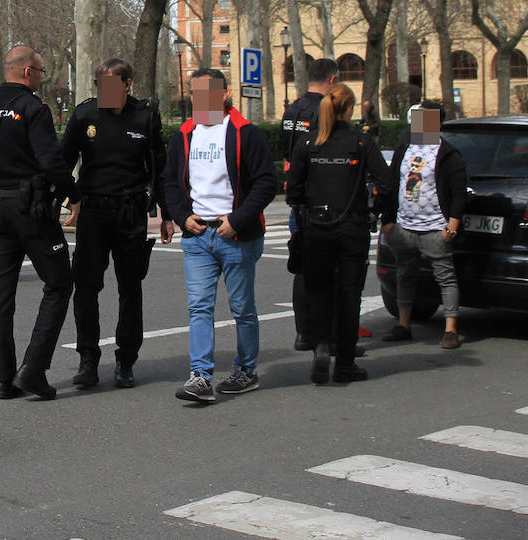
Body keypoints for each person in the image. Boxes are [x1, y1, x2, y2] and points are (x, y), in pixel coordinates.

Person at [0, 46, 79, 401]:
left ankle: (3, 380)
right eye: (41, 72)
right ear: (28, 72)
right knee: (59, 283)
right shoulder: (33, 108)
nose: (42, 79)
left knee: (0, 295)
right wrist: (74, 195)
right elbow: (51, 161)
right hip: (30, 209)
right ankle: (33, 369)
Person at [160, 68, 276, 403]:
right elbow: (170, 182)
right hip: (197, 236)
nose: (199, 101)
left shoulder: (245, 133)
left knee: (241, 308)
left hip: (235, 235)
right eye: (194, 95)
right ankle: (200, 376)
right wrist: (183, 218)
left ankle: (246, 370)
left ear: (223, 95)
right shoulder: (185, 134)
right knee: (199, 307)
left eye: (206, 94)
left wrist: (238, 220)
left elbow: (266, 183)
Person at [61, 58, 167, 390]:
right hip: (93, 211)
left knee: (130, 287)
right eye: (100, 85)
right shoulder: (85, 115)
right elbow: (62, 162)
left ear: (127, 84)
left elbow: (159, 167)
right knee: (86, 288)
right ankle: (88, 360)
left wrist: (165, 213)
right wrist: (70, 198)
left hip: (130, 211)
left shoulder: (145, 116)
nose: (105, 92)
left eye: (112, 85)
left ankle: (125, 360)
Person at [286, 83, 392, 384]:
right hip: (352, 226)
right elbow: (386, 183)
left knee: (318, 290)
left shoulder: (308, 143)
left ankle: (320, 345)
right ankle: (345, 363)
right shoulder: (361, 142)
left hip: (316, 226)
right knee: (349, 294)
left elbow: (293, 188)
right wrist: (374, 208)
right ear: (350, 107)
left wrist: (307, 204)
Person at [379, 100, 467, 349]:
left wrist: (452, 225)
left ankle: (450, 329)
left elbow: (459, 192)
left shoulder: (447, 153)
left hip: (435, 227)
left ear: (437, 123)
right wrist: (387, 221)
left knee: (445, 276)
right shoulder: (405, 147)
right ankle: (404, 324)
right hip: (404, 226)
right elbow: (392, 183)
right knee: (404, 274)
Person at [281, 57, 339, 351]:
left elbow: (286, 154)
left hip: (297, 197)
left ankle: (303, 332)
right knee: (330, 269)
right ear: (331, 80)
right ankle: (326, 335)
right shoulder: (324, 110)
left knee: (301, 265)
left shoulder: (292, 109)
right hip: (321, 198)